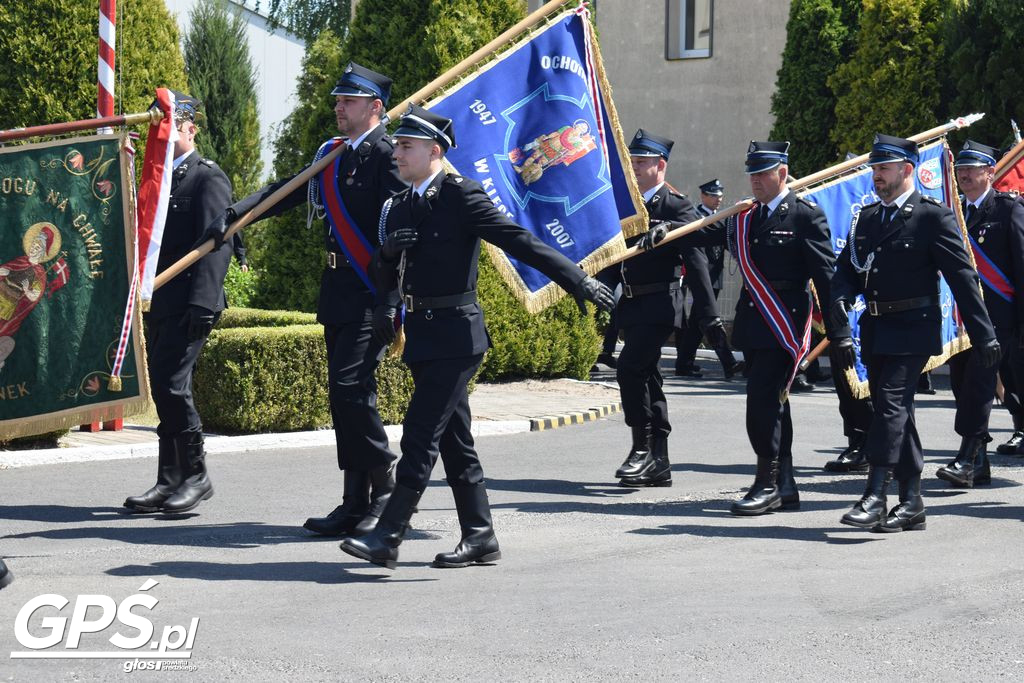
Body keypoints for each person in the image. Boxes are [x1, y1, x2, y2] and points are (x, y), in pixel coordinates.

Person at [340, 105, 613, 569]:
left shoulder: (460, 196)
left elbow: (518, 239)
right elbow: (379, 272)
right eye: (399, 146)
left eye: (406, 147)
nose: (397, 154)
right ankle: (480, 535)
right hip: (422, 336)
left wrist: (577, 279)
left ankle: (388, 533)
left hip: (457, 336)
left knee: (420, 435)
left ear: (435, 151)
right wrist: (387, 252)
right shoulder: (401, 203)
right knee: (454, 441)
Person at [214, 63, 407, 537]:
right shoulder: (334, 154)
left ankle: (385, 485)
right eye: (338, 101)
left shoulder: (389, 156)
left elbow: (401, 236)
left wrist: (392, 300)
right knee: (345, 398)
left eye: (349, 101)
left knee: (350, 389)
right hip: (337, 292)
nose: (338, 107)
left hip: (371, 293)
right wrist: (237, 214)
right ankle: (353, 501)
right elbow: (288, 190)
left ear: (375, 108)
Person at [830, 134, 1000, 532]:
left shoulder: (931, 216)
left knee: (889, 405)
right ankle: (912, 501)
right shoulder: (867, 217)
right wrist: (839, 298)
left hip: (913, 329)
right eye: (874, 169)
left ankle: (875, 495)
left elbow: (962, 277)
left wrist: (984, 334)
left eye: (883, 168)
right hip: (875, 328)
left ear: (907, 170)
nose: (876, 176)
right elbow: (847, 269)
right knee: (897, 413)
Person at [124, 93, 232, 514]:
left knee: (174, 385)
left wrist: (204, 302)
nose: (166, 137)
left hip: (192, 300)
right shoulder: (159, 180)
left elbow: (217, 245)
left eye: (174, 128)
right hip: (162, 300)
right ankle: (169, 478)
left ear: (192, 130)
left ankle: (197, 475)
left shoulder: (207, 178)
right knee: (165, 389)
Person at [725, 141, 836, 515]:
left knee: (761, 405)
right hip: (753, 324)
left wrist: (839, 333)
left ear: (782, 173)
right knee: (774, 406)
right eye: (752, 173)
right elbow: (708, 235)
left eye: (763, 173)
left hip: (784, 324)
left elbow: (826, 277)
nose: (755, 180)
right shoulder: (746, 215)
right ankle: (785, 484)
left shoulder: (804, 215)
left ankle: (766, 483)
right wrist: (663, 235)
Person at [611, 128, 704, 487]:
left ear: (660, 165)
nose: (633, 167)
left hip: (660, 303)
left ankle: (641, 449)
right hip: (632, 304)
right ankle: (659, 463)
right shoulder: (629, 204)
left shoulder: (676, 204)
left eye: (640, 162)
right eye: (631, 161)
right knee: (648, 377)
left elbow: (700, 250)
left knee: (629, 369)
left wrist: (708, 316)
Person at [936, 140, 1024, 487]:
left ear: (991, 172)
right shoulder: (953, 213)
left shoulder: (1008, 210)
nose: (965, 175)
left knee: (979, 383)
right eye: (961, 169)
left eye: (973, 169)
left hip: (998, 317)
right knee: (961, 383)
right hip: (961, 319)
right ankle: (980, 462)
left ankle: (968, 456)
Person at [674, 178, 744, 380]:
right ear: (703, 196)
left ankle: (684, 363)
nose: (718, 199)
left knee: (699, 321)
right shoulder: (694, 217)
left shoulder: (719, 217)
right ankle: (728, 363)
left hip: (715, 276)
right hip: (698, 277)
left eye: (720, 196)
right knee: (706, 319)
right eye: (714, 195)